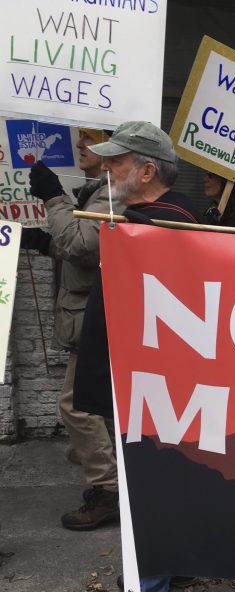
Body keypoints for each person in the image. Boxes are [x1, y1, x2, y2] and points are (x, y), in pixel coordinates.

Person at [71, 121, 205, 592]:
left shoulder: (148, 229)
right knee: (171, 479)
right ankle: (177, 565)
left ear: (147, 171)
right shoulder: (175, 220)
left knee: (142, 485)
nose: (106, 167)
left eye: (117, 161)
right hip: (169, 383)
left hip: (148, 385)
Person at [23, 128, 125, 531]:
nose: (80, 145)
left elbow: (83, 245)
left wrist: (53, 196)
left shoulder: (112, 193)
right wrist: (43, 243)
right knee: (94, 403)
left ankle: (109, 488)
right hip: (88, 313)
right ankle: (110, 476)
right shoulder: (101, 190)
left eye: (90, 139)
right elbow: (80, 250)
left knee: (75, 404)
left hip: (96, 316)